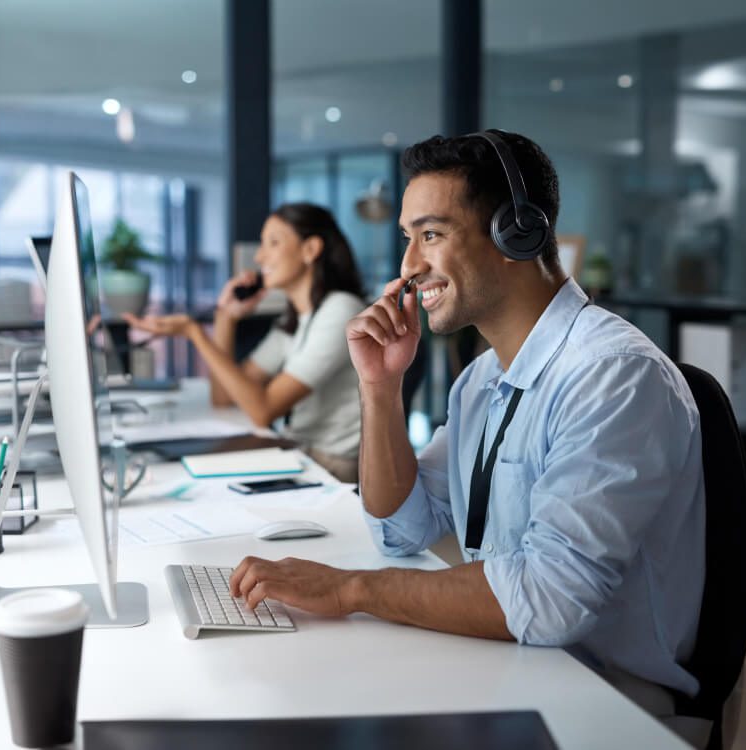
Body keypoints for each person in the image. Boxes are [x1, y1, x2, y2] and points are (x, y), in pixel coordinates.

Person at [229, 131, 709, 742]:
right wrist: (380, 390)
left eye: (431, 235)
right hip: (510, 662)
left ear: (518, 234)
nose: (408, 267)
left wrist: (349, 589)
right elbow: (399, 527)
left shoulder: (612, 375)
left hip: (602, 699)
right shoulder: (483, 380)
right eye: (408, 239)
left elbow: (549, 598)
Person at [124, 203, 366, 482]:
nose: (261, 257)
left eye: (273, 243)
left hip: (332, 465)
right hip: (300, 452)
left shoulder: (340, 311)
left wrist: (196, 333)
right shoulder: (295, 319)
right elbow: (224, 397)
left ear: (310, 250)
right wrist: (226, 318)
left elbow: (262, 410)